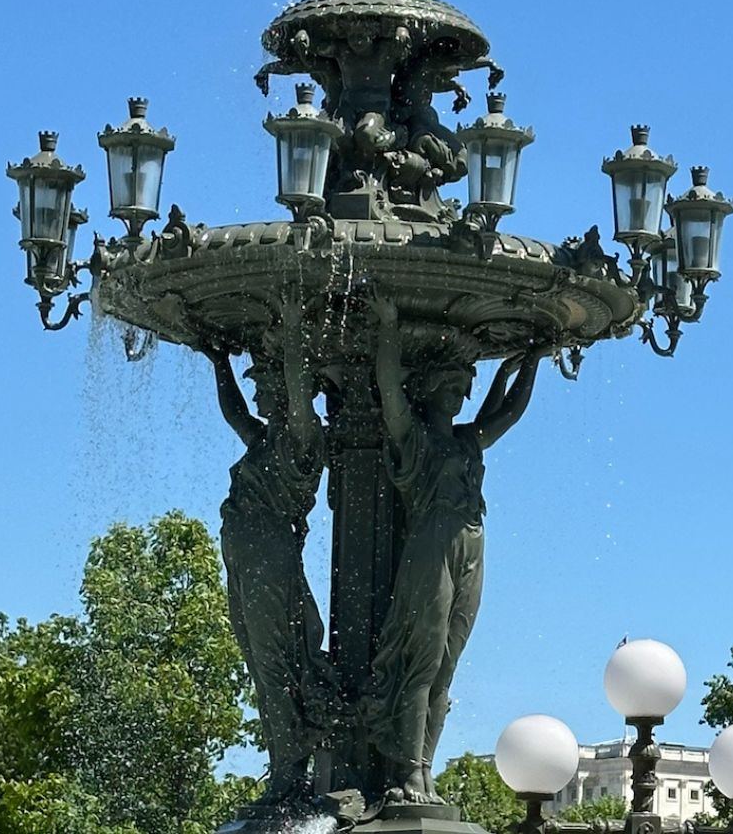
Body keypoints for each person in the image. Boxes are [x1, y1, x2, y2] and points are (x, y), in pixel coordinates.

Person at [364, 296, 547, 805]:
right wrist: (388, 327)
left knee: (448, 665)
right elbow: (386, 391)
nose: (457, 392)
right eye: (447, 384)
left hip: (472, 541)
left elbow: (506, 411)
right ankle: (406, 773)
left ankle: (425, 767)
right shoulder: (415, 440)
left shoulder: (469, 443)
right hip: (432, 543)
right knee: (422, 662)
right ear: (425, 389)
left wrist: (530, 361)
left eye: (461, 386)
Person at [204, 295, 333, 812]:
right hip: (245, 562)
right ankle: (286, 767)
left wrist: (297, 333)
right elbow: (233, 410)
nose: (254, 391)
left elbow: (302, 396)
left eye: (263, 383)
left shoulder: (301, 438)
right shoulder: (263, 441)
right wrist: (219, 365)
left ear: (284, 388)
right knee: (262, 666)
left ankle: (290, 774)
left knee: (275, 665)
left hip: (269, 563)